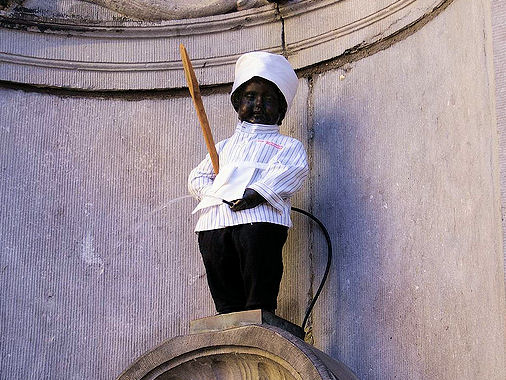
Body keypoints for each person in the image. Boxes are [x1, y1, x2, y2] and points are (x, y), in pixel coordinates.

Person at [188, 51, 309, 314]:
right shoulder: (222, 147)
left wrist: (256, 193)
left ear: (280, 110)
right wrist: (216, 192)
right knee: (217, 257)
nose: (257, 104)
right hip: (217, 220)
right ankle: (227, 313)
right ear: (237, 103)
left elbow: (292, 172)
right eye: (250, 97)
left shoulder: (287, 145)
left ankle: (260, 310)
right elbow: (197, 177)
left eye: (267, 99)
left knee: (258, 259)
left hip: (259, 219)